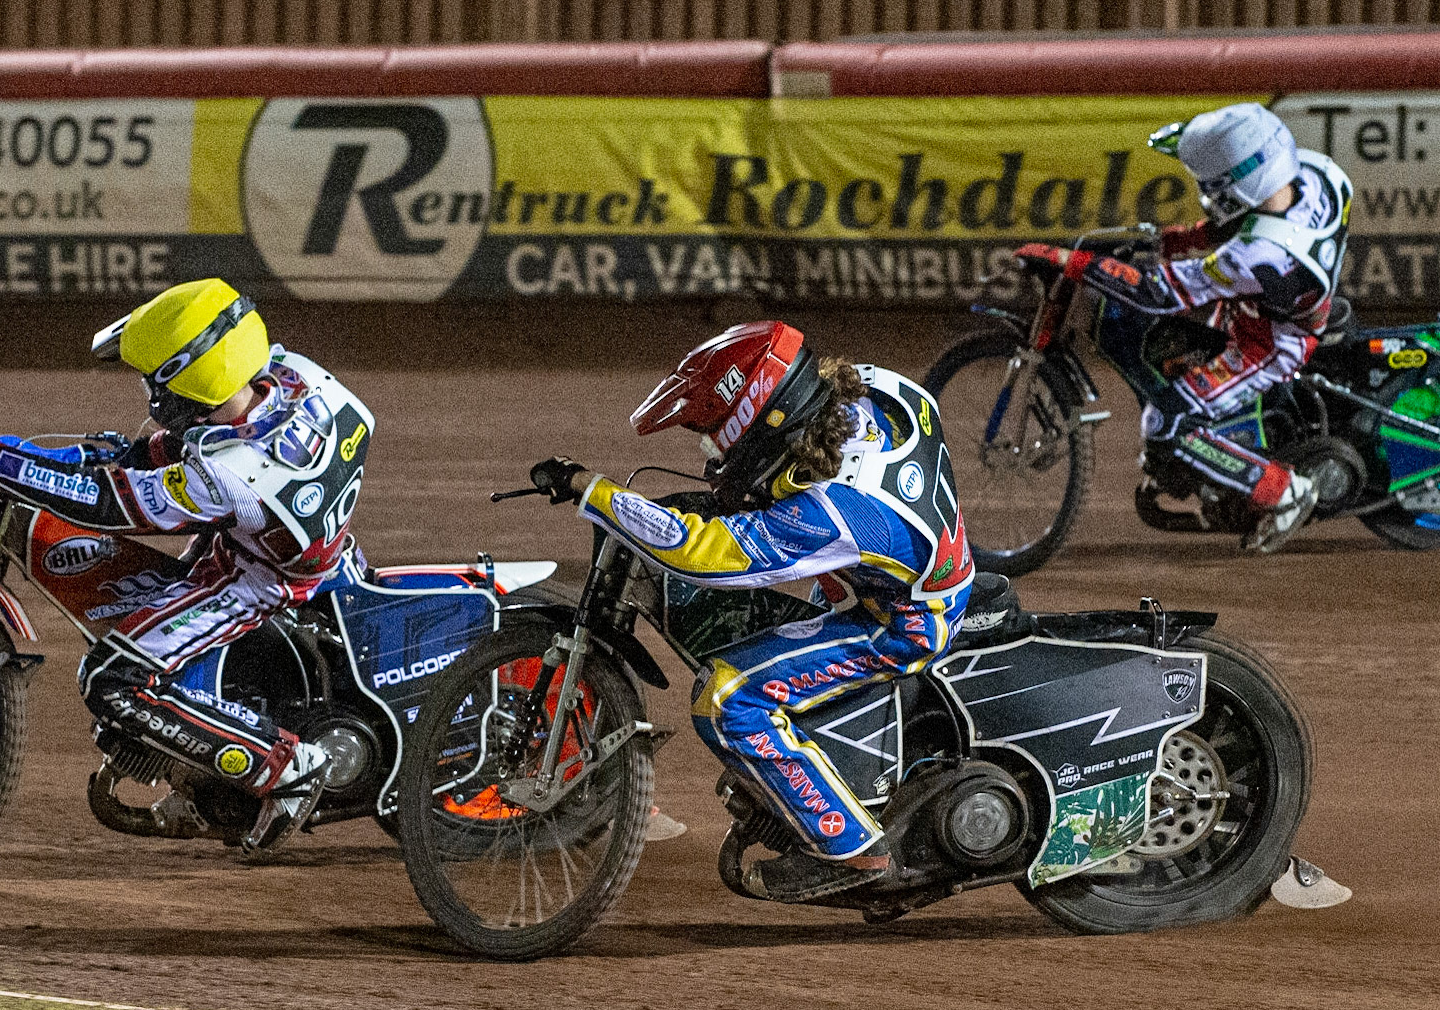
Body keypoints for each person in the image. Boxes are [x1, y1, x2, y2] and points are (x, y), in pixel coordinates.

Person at [0, 278, 374, 852]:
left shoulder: (226, 473)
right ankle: (204, 768)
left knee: (112, 679)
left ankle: (284, 766)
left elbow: (102, 503)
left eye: (157, 383)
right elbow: (140, 457)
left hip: (257, 581)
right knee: (142, 458)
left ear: (190, 379)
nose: (151, 397)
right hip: (323, 552)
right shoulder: (296, 375)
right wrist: (27, 454)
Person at [528, 321, 974, 903]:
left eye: (716, 436)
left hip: (901, 624)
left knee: (727, 697)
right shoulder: (882, 392)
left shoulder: (830, 514)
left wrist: (594, 490)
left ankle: (850, 850)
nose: (712, 454)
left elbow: (697, 552)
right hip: (908, 564)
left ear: (764, 425)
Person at [1016, 101, 1353, 552]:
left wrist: (1071, 261)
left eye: (1212, 184)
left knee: (1166, 422)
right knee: (1167, 349)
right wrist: (1172, 240)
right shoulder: (1316, 175)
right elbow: (1240, 222)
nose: (1206, 192)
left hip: (1270, 343)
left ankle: (1283, 491)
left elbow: (1158, 291)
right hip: (1265, 303)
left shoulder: (1261, 255)